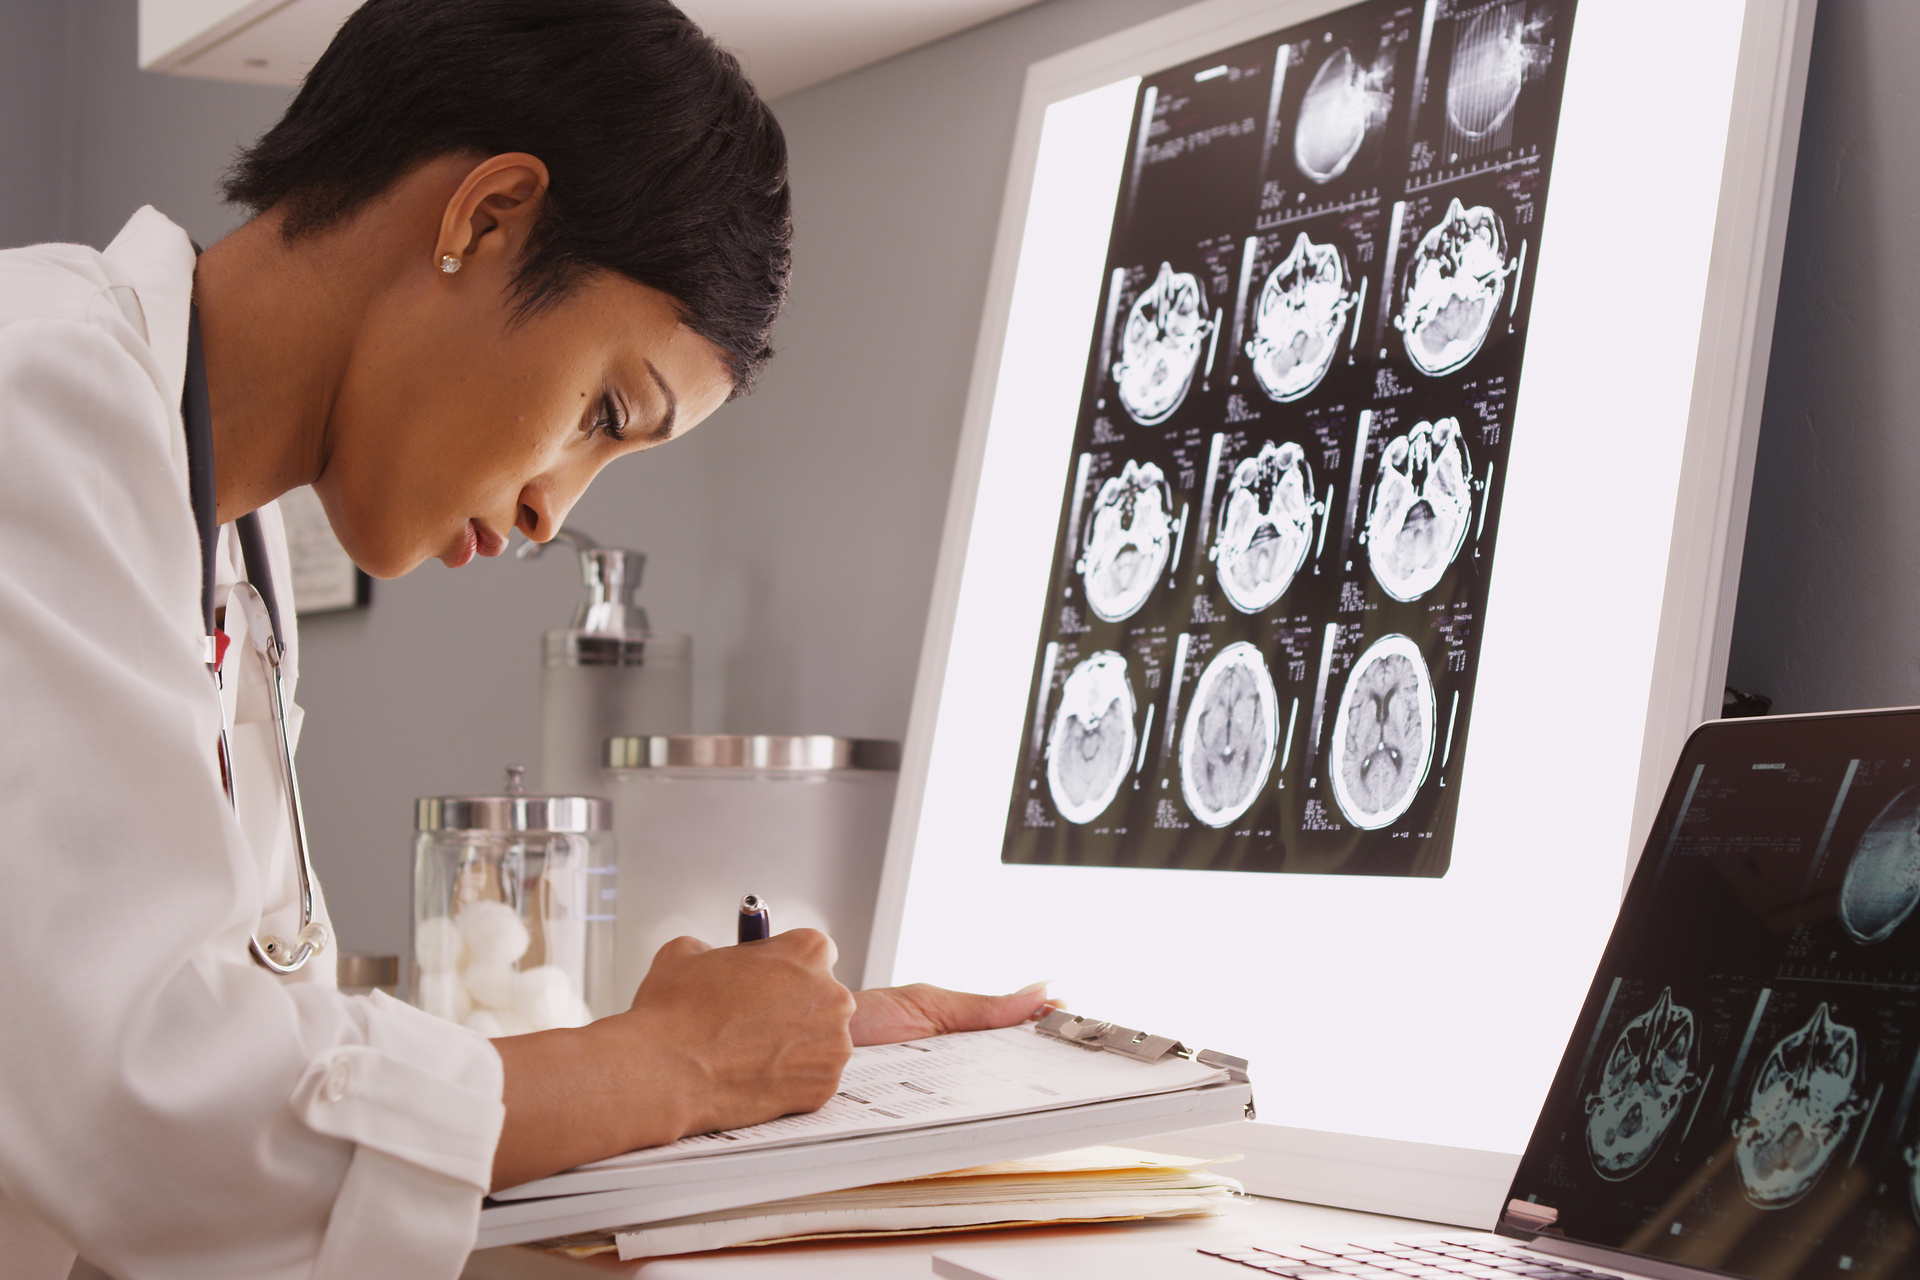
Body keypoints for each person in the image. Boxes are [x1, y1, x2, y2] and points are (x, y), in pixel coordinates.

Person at [0, 2, 1047, 1276]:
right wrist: (672, 1062)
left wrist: (772, 1060)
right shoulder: (37, 399)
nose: (556, 505)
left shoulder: (223, 530)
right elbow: (149, 1120)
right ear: (484, 217)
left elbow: (252, 1070)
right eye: (606, 408)